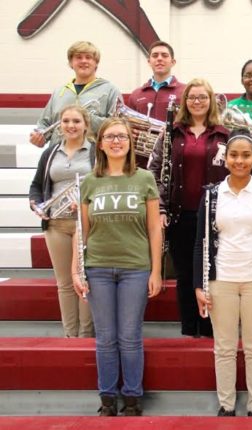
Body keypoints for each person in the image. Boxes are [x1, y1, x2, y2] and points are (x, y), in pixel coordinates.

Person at [72, 117, 162, 416]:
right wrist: (76, 270)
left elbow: (154, 229)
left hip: (135, 268)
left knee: (129, 335)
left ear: (130, 142)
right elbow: (81, 230)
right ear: (100, 143)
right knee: (106, 337)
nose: (116, 141)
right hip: (97, 267)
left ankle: (133, 396)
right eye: (110, 137)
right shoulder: (89, 182)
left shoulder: (144, 178)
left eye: (122, 136)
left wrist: (156, 270)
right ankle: (108, 397)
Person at [194, 131, 252, 417]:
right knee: (223, 347)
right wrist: (200, 285)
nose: (239, 160)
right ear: (226, 158)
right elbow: (201, 242)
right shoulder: (211, 194)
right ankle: (226, 405)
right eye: (234, 155)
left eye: (246, 155)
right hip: (220, 281)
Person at [148, 78, 228, 337]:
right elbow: (155, 170)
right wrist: (160, 208)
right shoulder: (171, 133)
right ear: (185, 102)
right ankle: (189, 330)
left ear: (211, 101)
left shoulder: (223, 134)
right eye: (192, 97)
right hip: (179, 215)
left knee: (211, 274)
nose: (197, 102)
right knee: (185, 275)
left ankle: (208, 331)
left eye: (202, 97)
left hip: (214, 215)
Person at [29, 104, 95, 338]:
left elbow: (104, 185)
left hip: (85, 223)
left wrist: (87, 203)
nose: (71, 126)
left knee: (84, 280)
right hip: (56, 224)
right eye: (66, 121)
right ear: (60, 125)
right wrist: (35, 203)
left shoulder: (95, 152)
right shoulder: (50, 152)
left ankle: (85, 335)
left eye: (76, 121)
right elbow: (36, 185)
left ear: (86, 124)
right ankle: (70, 335)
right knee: (65, 284)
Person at [29, 41, 121, 148]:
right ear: (71, 63)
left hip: (94, 158)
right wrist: (40, 136)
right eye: (78, 57)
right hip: (59, 155)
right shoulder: (59, 92)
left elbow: (117, 127)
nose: (84, 61)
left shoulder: (110, 90)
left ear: (96, 63)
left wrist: (88, 118)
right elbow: (44, 124)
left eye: (88, 57)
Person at [127, 41, 186, 122]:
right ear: (149, 62)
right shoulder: (136, 95)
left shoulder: (185, 91)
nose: (159, 58)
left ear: (173, 62)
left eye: (164, 56)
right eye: (155, 56)